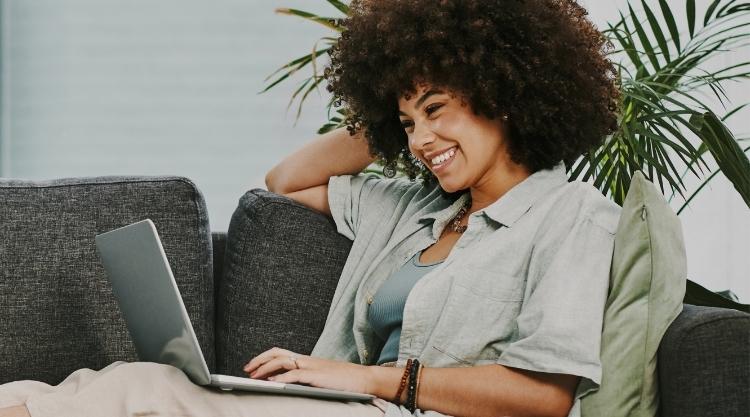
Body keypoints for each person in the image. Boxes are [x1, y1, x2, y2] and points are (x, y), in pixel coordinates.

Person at [0, 0, 622, 416]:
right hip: (348, 410)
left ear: (502, 95)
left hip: (394, 411)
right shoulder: (409, 209)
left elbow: (545, 396)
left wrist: (372, 379)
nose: (420, 140)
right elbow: (283, 182)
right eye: (407, 123)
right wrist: (387, 115)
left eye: (437, 110)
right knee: (76, 391)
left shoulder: (572, 216)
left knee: (144, 389)